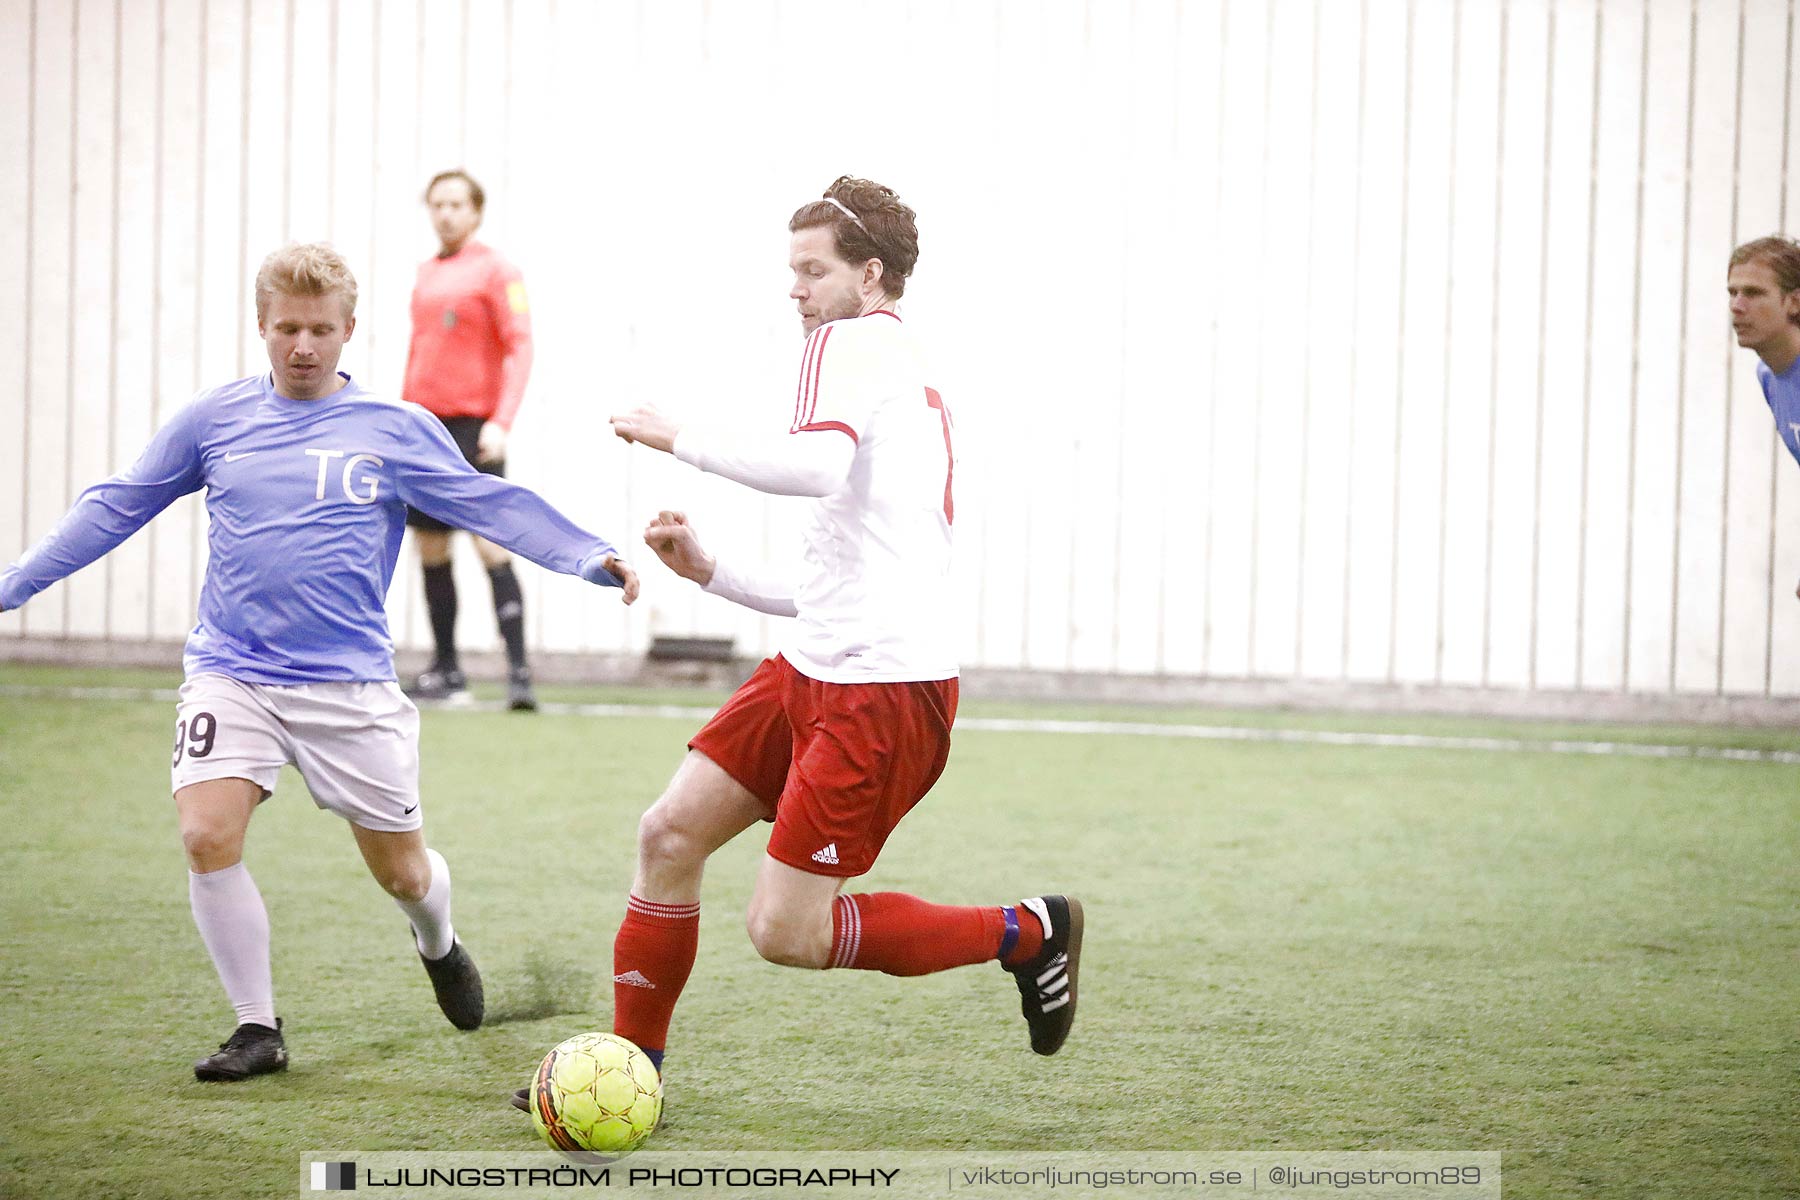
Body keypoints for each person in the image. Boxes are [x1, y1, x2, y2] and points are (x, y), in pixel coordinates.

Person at [0, 243, 639, 1082]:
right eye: (287, 329)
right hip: (233, 670)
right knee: (204, 834)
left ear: (348, 331)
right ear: (261, 326)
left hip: (350, 688)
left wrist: (588, 556)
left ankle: (436, 940)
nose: (303, 346)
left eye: (321, 330)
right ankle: (256, 1028)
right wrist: (12, 588)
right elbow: (117, 504)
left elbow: (488, 502)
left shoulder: (392, 429)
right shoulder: (215, 421)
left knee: (405, 874)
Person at [510, 177, 1081, 1112]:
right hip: (817, 668)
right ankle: (629, 1076)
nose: (795, 291)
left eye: (811, 271)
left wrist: (677, 435)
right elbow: (835, 586)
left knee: (786, 933)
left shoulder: (852, 343)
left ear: (871, 274)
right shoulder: (894, 366)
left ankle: (1027, 932)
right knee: (668, 834)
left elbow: (813, 466)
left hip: (880, 695)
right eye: (791, 271)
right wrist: (711, 571)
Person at [401, 169, 542, 710]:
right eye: (437, 204)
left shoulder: (497, 271)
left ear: (476, 211)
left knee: (491, 545)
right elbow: (421, 356)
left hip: (474, 427)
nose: (446, 213)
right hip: (424, 428)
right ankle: (447, 668)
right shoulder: (425, 274)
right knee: (431, 546)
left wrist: (501, 421)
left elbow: (521, 348)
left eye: (457, 204)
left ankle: (520, 673)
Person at [1730, 235, 1800, 599]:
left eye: (1754, 293)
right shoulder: (1769, 377)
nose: (1737, 307)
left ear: (1794, 302)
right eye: (1733, 293)